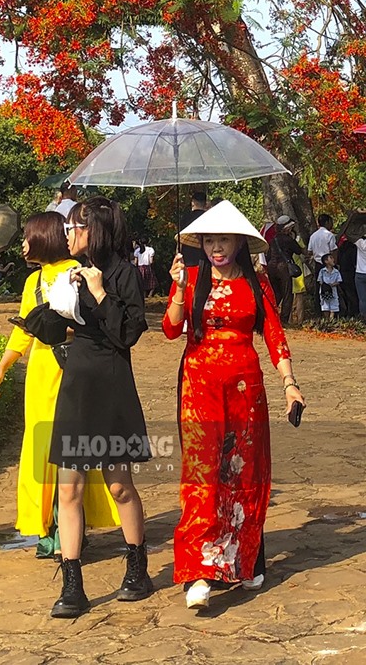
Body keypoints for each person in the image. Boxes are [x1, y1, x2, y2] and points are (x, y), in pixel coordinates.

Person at [163, 199, 306, 611]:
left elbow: (274, 336)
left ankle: (244, 558)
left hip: (246, 386)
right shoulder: (190, 277)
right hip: (199, 386)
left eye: (224, 239)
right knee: (203, 472)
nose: (216, 248)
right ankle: (199, 571)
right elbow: (172, 330)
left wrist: (290, 385)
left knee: (243, 471)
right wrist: (177, 290)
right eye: (209, 240)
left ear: (240, 243)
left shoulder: (256, 284)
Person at [0, 212, 119, 562]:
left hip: (71, 368)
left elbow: (89, 324)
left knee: (70, 451)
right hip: (41, 372)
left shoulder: (77, 272)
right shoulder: (33, 281)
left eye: (29, 237)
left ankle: (69, 527)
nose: (24, 244)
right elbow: (24, 330)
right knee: (42, 449)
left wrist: (60, 328)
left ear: (45, 237)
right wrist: (4, 365)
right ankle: (45, 525)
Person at [48, 198, 153, 616]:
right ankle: (72, 584)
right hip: (76, 382)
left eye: (76, 227)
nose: (69, 234)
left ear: (98, 230)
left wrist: (97, 291)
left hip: (111, 380)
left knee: (118, 485)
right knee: (68, 487)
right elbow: (63, 326)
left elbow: (126, 334)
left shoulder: (124, 274)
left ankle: (137, 567)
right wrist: (51, 314)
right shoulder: (68, 274)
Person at [308, 214, 337, 315]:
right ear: (327, 222)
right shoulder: (329, 235)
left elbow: (309, 251)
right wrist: (335, 264)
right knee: (332, 288)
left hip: (318, 265)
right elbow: (333, 251)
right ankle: (332, 312)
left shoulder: (313, 236)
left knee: (319, 288)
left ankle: (319, 312)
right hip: (329, 265)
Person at [179, 189, 208, 268]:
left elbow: (180, 238)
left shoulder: (185, 217)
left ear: (193, 202)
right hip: (204, 257)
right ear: (205, 203)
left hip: (187, 256)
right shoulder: (209, 217)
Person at [336, 233, 359, 317]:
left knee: (346, 294)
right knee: (353, 294)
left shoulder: (341, 248)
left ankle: (347, 313)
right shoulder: (353, 248)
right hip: (351, 272)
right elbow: (354, 262)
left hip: (342, 272)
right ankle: (354, 313)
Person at [318, 254, 342, 321]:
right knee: (325, 307)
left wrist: (333, 284)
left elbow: (339, 281)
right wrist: (326, 285)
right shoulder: (322, 271)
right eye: (331, 258)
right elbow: (320, 280)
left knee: (333, 307)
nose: (333, 259)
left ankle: (331, 321)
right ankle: (326, 320)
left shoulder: (336, 271)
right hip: (324, 292)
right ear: (326, 261)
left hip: (333, 291)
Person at [355, 235, 366, 320]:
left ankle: (363, 318)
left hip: (360, 273)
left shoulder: (360, 242)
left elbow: (350, 235)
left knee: (362, 299)